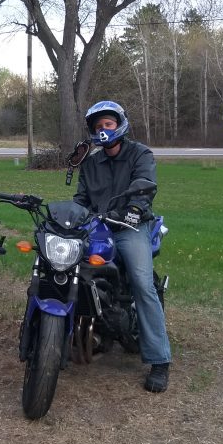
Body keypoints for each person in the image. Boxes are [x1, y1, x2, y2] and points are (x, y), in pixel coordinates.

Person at [72, 100, 172, 393]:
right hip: (96, 227)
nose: (104, 130)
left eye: (109, 124)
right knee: (67, 267)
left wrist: (135, 209)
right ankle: (65, 336)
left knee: (142, 283)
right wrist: (72, 217)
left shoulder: (140, 154)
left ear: (120, 125)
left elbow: (144, 186)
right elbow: (81, 200)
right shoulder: (90, 163)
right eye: (99, 126)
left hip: (130, 226)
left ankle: (159, 360)